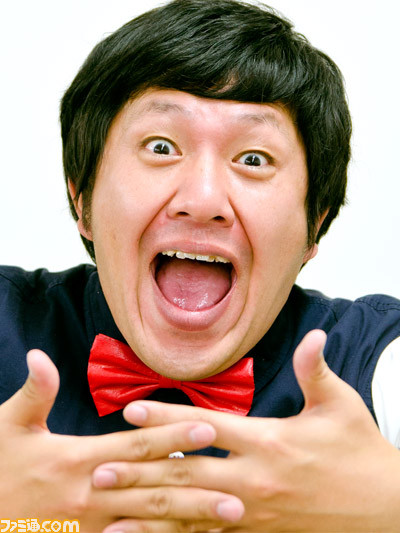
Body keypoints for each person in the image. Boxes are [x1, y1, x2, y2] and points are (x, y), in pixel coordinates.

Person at [1, 0, 399, 531]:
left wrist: (387, 503)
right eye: (161, 146)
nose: (203, 199)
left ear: (314, 225)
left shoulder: (376, 359)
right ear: (82, 199)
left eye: (253, 159)